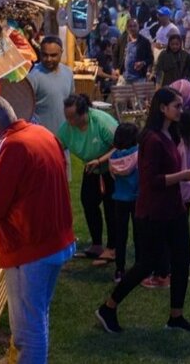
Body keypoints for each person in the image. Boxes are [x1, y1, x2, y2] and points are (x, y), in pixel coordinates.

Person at [0, 96, 75, 362]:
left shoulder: (8, 145)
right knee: (37, 316)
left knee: (27, 327)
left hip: (31, 247)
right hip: (57, 240)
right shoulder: (41, 132)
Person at [95, 88, 190, 334]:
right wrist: (186, 175)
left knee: (180, 260)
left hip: (173, 208)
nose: (181, 109)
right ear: (162, 108)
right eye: (176, 106)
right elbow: (152, 180)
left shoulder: (171, 133)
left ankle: (176, 316)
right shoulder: (152, 139)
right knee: (146, 264)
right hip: (154, 212)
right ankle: (108, 307)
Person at [58, 95, 118, 263]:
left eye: (72, 117)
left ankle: (112, 248)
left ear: (84, 113)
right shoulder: (67, 128)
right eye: (66, 116)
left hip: (111, 169)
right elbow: (56, 147)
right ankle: (97, 244)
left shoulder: (101, 122)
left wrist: (100, 160)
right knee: (88, 202)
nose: (68, 120)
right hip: (91, 168)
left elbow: (121, 145)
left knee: (110, 207)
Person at [109, 123, 140, 283]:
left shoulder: (113, 157)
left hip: (119, 199)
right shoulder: (138, 154)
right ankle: (139, 267)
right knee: (138, 234)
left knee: (120, 236)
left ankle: (119, 270)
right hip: (135, 198)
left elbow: (113, 177)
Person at [27, 36, 75, 134]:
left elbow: (72, 102)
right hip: (42, 138)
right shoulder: (33, 77)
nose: (48, 59)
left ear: (61, 52)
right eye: (45, 55)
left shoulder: (68, 73)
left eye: (53, 55)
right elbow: (25, 110)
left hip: (64, 137)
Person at [117, 18, 153, 84]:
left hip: (139, 78)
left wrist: (143, 63)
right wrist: (116, 68)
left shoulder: (145, 42)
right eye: (130, 26)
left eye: (135, 26)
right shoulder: (122, 40)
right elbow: (115, 54)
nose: (132, 28)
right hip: (124, 77)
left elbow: (151, 58)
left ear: (138, 27)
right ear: (127, 28)